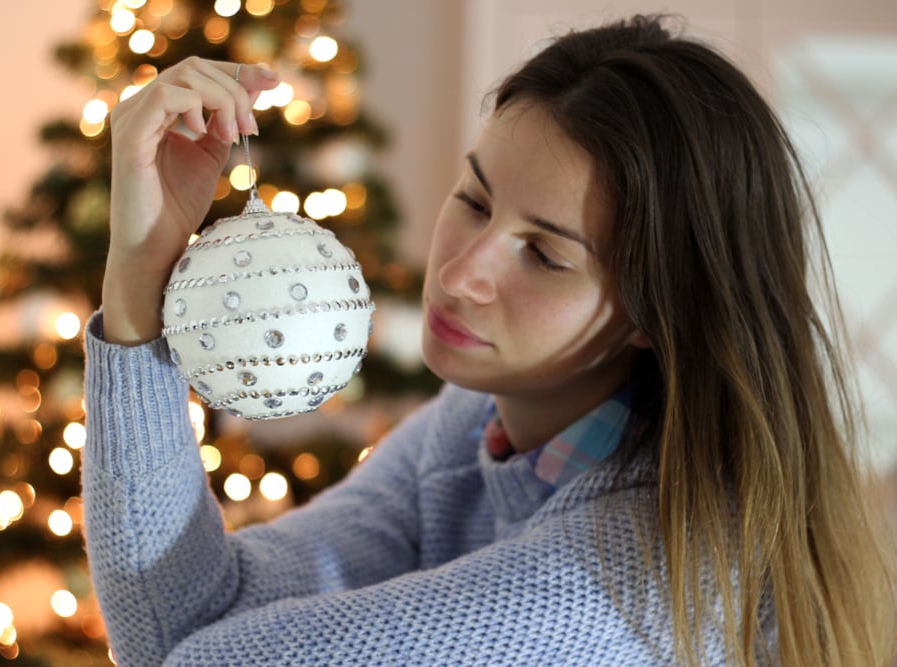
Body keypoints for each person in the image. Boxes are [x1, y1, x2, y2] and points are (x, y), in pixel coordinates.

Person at [82, 14, 895, 666]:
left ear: (662, 312)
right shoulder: (469, 427)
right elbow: (171, 624)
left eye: (544, 254)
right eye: (473, 200)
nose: (463, 272)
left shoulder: (645, 567)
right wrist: (140, 274)